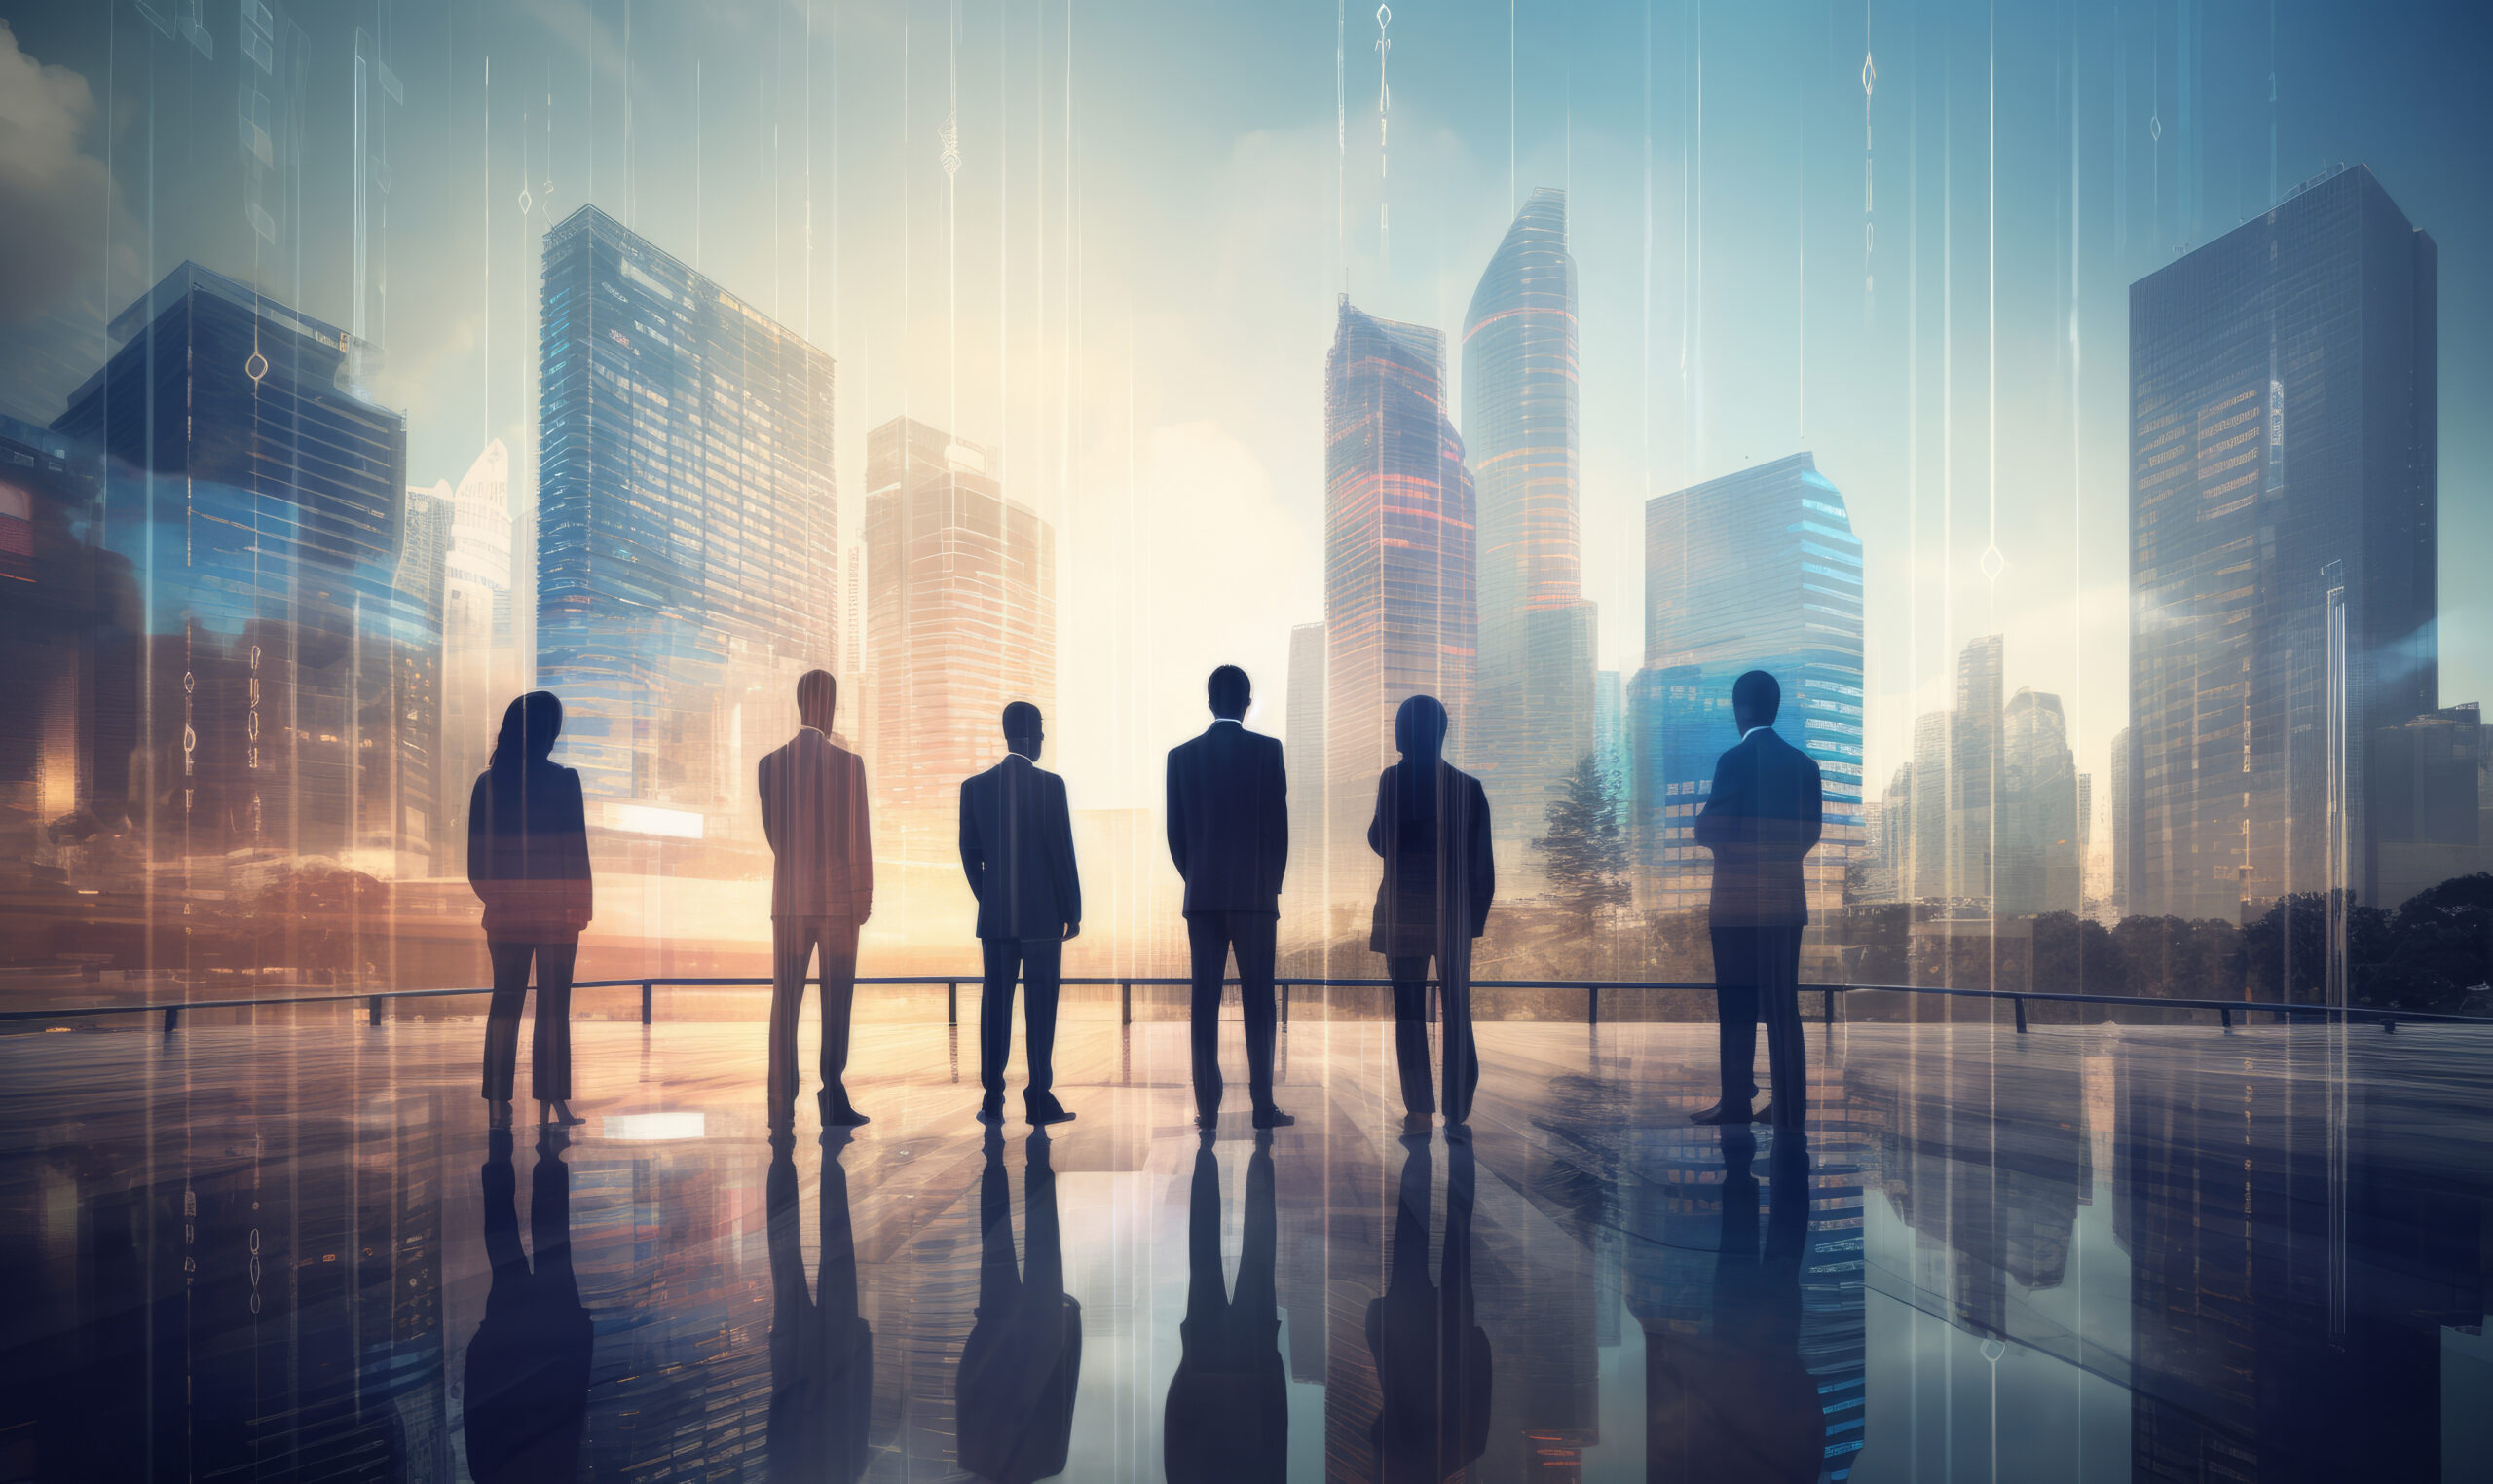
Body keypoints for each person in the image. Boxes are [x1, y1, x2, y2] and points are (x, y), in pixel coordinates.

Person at [1644, 1131, 1824, 1481]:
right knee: (1755, 1242)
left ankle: (1779, 1151)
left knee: (1767, 1243)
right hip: (1755, 1348)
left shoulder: (1788, 1470)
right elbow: (1808, 1419)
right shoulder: (1769, 1469)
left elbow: (1810, 1419)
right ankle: (1764, 1149)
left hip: (1758, 1348)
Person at [1690, 670, 1823, 1130]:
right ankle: (1789, 1106)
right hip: (1786, 903)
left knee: (1738, 1004)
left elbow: (1713, 828)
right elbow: (1809, 836)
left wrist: (1704, 828)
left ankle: (1735, 1099)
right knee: (1783, 1007)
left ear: (1739, 708)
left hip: (1736, 906)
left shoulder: (1735, 760)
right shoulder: (1806, 766)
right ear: (1776, 706)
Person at [1166, 665, 1293, 1131]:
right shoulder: (1267, 752)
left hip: (1202, 898)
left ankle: (1208, 1107)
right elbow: (1277, 828)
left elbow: (1176, 836)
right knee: (1260, 1002)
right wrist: (1268, 884)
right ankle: (1262, 1106)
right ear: (1247, 701)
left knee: (1204, 1002)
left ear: (1209, 700)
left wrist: (1197, 877)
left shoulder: (1180, 758)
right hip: (1256, 900)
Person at [1366, 695, 1495, 1134]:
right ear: (1441, 733)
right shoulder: (1469, 787)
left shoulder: (1393, 781)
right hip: (1452, 913)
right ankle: (1458, 1107)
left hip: (1403, 910)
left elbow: (1382, 840)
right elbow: (1483, 866)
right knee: (1457, 1007)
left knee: (1408, 1011)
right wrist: (1472, 919)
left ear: (1405, 733)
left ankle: (1419, 1108)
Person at [468, 691, 593, 1130]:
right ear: (547, 732)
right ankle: (554, 1099)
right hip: (558, 917)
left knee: (504, 1005)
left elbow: (477, 860)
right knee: (555, 1008)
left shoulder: (488, 783)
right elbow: (575, 853)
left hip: (505, 916)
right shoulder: (564, 781)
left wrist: (499, 900)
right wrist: (580, 908)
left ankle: (497, 1098)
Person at [760, 669, 875, 1132]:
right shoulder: (849, 765)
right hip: (838, 905)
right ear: (829, 707)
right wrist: (861, 899)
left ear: (799, 703)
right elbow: (858, 838)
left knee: (784, 1002)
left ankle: (780, 1104)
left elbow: (775, 837)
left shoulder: (770, 765)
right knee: (836, 1002)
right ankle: (832, 1094)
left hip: (788, 901)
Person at [959, 702, 1082, 1127]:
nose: (1045, 739)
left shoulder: (974, 788)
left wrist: (990, 897)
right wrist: (1073, 911)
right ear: (1031, 734)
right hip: (1044, 919)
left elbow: (969, 855)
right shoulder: (1051, 786)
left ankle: (993, 1099)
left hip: (996, 919)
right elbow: (1062, 854)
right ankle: (1037, 1096)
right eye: (1042, 730)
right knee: (1041, 1006)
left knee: (996, 1005)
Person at [462, 1129, 594, 1483]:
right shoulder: (490, 1475)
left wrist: (581, 1340)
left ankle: (545, 1155)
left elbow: (571, 1415)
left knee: (549, 1246)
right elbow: (476, 1413)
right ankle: (505, 1152)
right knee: (509, 1247)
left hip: (546, 1342)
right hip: (518, 1343)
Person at [957, 1130, 1083, 1484]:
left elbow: (1064, 1384)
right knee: (997, 1239)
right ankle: (997, 1150)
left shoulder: (1048, 1462)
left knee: (1036, 1237)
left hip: (1037, 1330)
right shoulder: (978, 1458)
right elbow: (968, 1388)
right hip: (1005, 1332)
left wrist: (1070, 1318)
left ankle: (1032, 1149)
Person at [1365, 1133, 1491, 1484]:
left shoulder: (1466, 1449)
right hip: (1406, 1332)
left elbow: (1482, 1374)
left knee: (1456, 1234)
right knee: (1410, 1234)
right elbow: (1379, 1427)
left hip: (1452, 1334)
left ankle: (1459, 1148)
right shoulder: (1395, 1460)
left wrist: (1472, 1338)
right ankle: (1420, 1152)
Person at [1163, 1130, 1286, 1483]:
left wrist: (1273, 1369)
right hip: (1206, 1361)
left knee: (1258, 1254)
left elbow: (1277, 1436)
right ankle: (1208, 1153)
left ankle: (1260, 1151)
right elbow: (1176, 1432)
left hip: (1254, 1365)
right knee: (1205, 1254)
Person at [765, 1132, 874, 1483]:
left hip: (828, 1363)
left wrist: (860, 1345)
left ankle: (813, 1150)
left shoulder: (846, 1473)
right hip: (809, 1365)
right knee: (791, 1255)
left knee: (829, 1249)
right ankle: (788, 1148)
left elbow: (859, 1416)